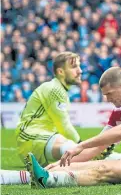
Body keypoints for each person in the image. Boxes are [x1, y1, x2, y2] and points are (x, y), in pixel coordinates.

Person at [27, 67, 121, 188]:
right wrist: (57, 164)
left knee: (102, 170)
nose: (108, 99)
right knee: (91, 164)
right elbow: (100, 146)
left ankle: (48, 182)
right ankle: (42, 174)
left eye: (109, 94)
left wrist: (81, 145)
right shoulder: (119, 110)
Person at [0, 52, 84, 185]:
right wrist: (82, 145)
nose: (80, 71)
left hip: (40, 139)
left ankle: (13, 177)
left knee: (75, 160)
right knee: (73, 149)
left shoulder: (58, 90)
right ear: (61, 71)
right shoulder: (54, 89)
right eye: (74, 67)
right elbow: (64, 126)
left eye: (79, 66)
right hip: (32, 137)